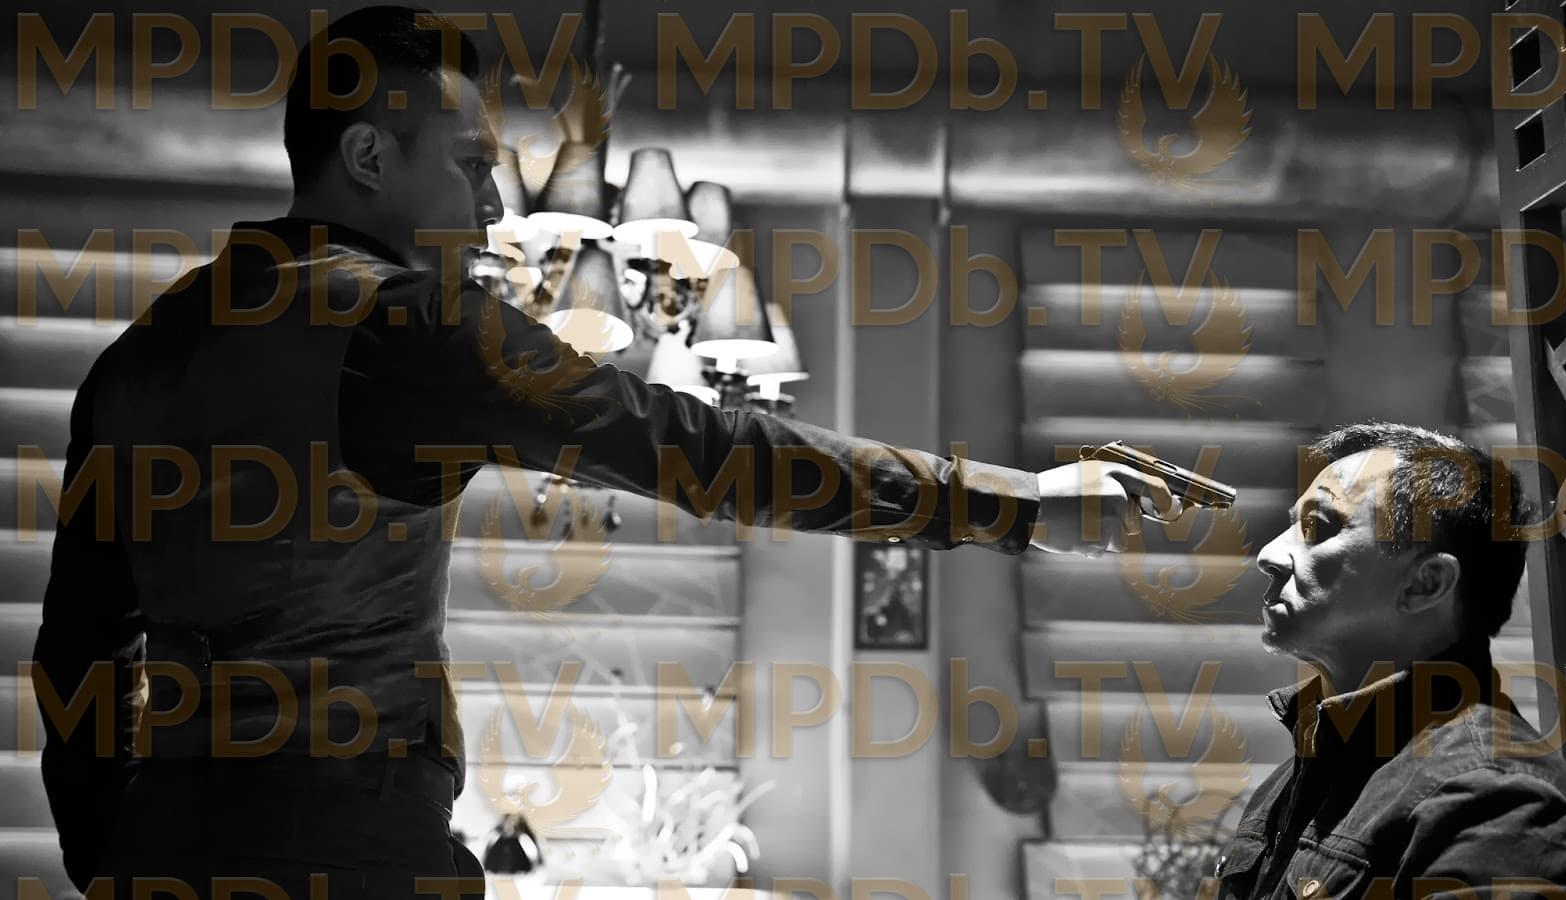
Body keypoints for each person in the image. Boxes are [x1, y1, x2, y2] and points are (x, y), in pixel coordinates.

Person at [29, 7, 1177, 899]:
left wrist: (110, 855)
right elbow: (699, 446)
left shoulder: (140, 353)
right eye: (468, 164)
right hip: (352, 855)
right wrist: (1012, 503)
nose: (491, 205)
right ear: (370, 155)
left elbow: (78, 648)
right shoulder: (405, 321)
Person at [1221, 422, 1566, 897]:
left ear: (1426, 584)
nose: (1269, 554)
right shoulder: (1306, 766)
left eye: (1318, 527)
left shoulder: (1499, 800)